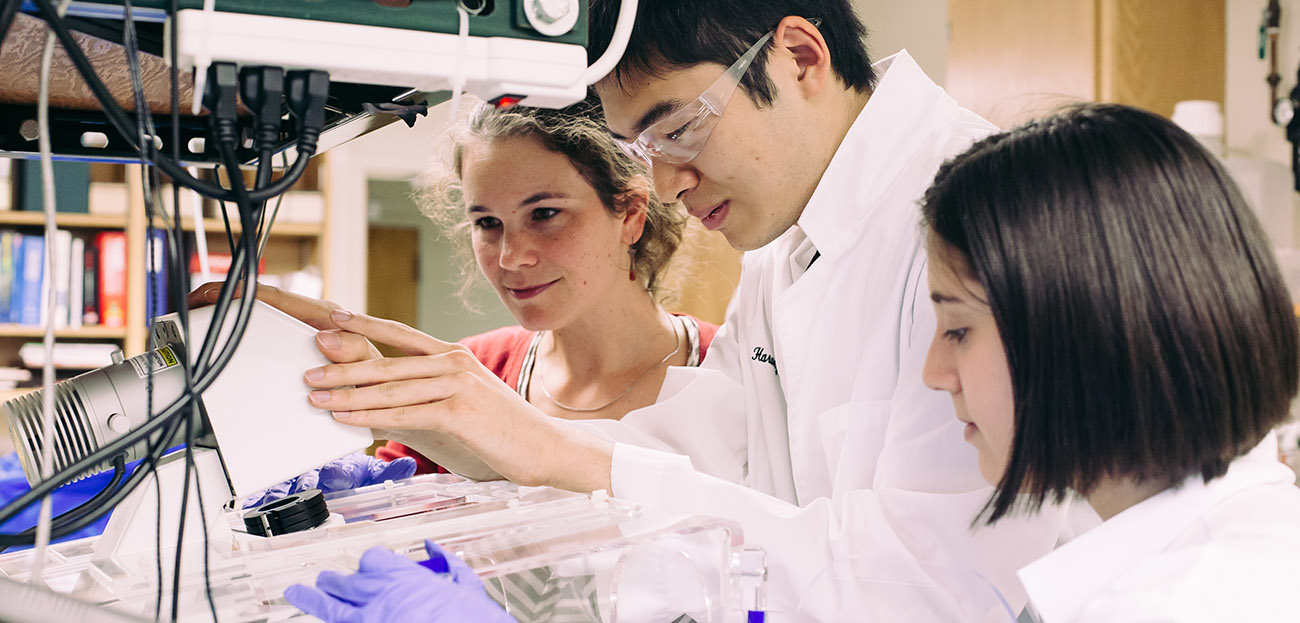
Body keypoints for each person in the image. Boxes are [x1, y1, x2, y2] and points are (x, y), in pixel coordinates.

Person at [265, 1, 1077, 619]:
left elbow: (931, 586)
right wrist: (463, 434)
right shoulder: (785, 248)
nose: (665, 189)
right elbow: (703, 466)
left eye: (680, 128)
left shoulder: (981, 212)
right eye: (642, 154)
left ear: (799, 55)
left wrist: (522, 441)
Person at [921, 103, 1300, 622]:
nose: (934, 373)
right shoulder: (1257, 543)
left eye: (958, 330)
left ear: (1087, 327)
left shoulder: (1170, 606)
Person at [373, 101, 717, 473]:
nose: (510, 257)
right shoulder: (472, 376)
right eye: (488, 222)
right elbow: (381, 508)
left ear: (631, 214)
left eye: (544, 214)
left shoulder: (732, 367)